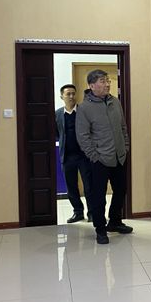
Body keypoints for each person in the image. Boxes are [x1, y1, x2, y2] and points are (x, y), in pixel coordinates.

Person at [76, 69, 132, 244]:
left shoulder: (115, 102)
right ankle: (100, 229)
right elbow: (83, 136)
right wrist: (94, 156)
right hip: (99, 160)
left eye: (108, 80)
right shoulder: (84, 108)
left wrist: (125, 146)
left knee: (121, 190)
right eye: (102, 81)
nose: (107, 84)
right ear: (92, 85)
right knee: (98, 196)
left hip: (119, 156)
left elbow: (123, 127)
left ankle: (114, 221)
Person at [55, 84, 92, 223]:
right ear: (62, 97)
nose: (71, 96)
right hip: (67, 156)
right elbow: (57, 133)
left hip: (84, 156)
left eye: (73, 94)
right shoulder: (58, 114)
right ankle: (78, 212)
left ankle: (92, 213)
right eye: (68, 94)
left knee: (89, 186)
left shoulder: (83, 112)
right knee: (71, 187)